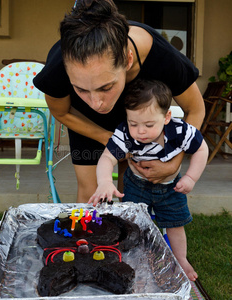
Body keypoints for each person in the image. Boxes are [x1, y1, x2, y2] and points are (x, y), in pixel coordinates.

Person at [33, 0, 205, 203]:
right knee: (91, 192)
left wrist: (173, 161)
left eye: (105, 87)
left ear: (128, 60)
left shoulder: (161, 57)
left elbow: (195, 109)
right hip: (85, 121)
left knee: (131, 190)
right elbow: (61, 112)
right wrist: (105, 136)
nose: (97, 103)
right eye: (81, 89)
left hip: (138, 119)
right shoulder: (57, 67)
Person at [88, 79, 209, 281]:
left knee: (175, 224)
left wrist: (190, 177)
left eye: (149, 124)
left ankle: (181, 260)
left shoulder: (181, 131)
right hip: (136, 185)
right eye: (134, 123)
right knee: (132, 224)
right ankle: (131, 258)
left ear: (166, 117)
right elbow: (107, 157)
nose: (140, 131)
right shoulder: (126, 133)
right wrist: (105, 182)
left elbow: (201, 149)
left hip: (171, 188)